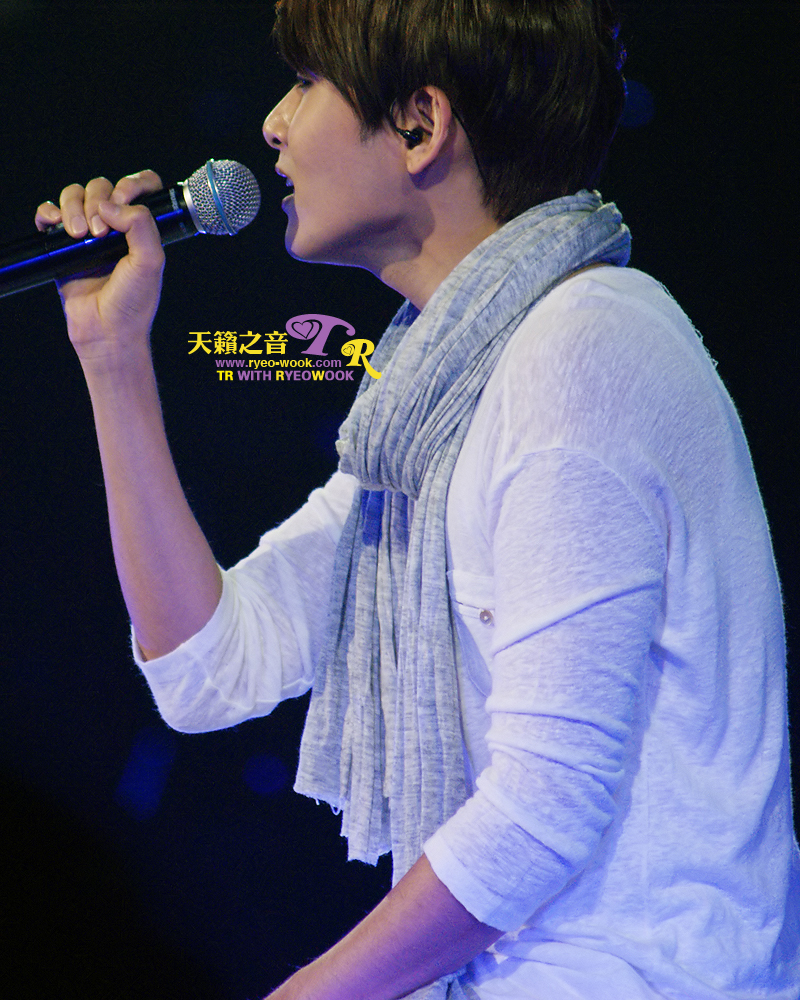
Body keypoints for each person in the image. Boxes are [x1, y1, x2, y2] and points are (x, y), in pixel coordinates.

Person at [35, 1, 799, 998]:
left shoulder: (583, 347)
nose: (272, 124)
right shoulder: (431, 400)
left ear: (418, 124)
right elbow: (208, 669)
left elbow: (543, 809)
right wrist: (111, 357)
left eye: (307, 83)